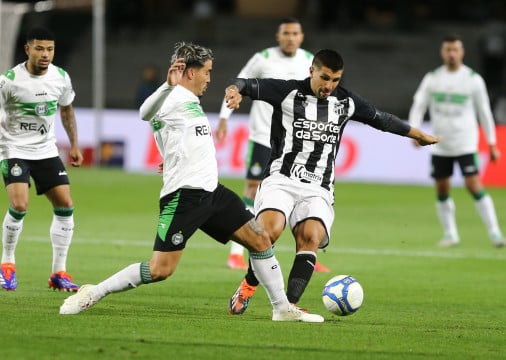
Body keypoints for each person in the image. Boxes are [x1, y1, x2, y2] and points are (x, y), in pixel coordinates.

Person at [59, 42, 324, 322]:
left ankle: (281, 308)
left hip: (212, 190)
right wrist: (165, 86)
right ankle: (93, 293)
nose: (210, 79)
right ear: (188, 72)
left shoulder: (189, 101)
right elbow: (145, 113)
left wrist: (168, 155)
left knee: (260, 239)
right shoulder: (171, 98)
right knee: (160, 269)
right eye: (207, 72)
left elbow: (173, 135)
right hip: (184, 196)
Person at [224, 48, 440, 315]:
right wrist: (234, 90)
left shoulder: (346, 102)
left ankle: (288, 306)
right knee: (268, 234)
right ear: (311, 70)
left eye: (335, 80)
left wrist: (417, 134)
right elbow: (247, 84)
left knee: (311, 237)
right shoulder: (287, 92)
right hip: (281, 178)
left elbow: (381, 119)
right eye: (324, 78)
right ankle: (248, 284)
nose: (329, 86)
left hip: (319, 187)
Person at [216, 17, 330, 273]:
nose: (290, 37)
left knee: (302, 190)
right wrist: (224, 118)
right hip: (262, 136)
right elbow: (237, 84)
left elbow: (321, 97)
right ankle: (237, 251)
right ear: (278, 36)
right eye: (286, 33)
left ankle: (307, 248)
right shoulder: (263, 58)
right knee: (253, 188)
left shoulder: (310, 60)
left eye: (295, 33)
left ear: (301, 37)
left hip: (295, 141)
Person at [0, 27, 83, 291]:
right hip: (14, 150)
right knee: (20, 205)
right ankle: (7, 265)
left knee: (65, 205)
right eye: (39, 48)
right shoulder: (10, 80)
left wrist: (75, 145)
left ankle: (59, 272)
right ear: (27, 49)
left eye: (50, 49)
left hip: (46, 151)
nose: (45, 54)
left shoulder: (60, 77)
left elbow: (66, 110)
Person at [408, 34, 505, 248]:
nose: (451, 53)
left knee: (473, 184)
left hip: (465, 143)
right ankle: (451, 234)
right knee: (442, 188)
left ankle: (495, 232)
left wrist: (491, 143)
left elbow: (484, 112)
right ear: (442, 52)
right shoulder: (433, 78)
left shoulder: (472, 79)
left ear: (462, 52)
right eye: (448, 50)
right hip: (439, 144)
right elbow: (418, 104)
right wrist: (414, 131)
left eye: (455, 50)